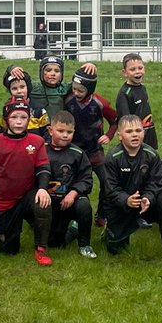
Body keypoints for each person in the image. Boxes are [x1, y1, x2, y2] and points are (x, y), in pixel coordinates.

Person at [0, 97, 53, 266]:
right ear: (6, 120)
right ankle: (12, 231)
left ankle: (41, 248)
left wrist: (42, 188)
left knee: (43, 203)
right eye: (14, 117)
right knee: (8, 250)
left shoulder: (37, 142)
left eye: (23, 117)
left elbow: (43, 168)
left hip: (29, 196)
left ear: (29, 120)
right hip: (5, 201)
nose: (19, 122)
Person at [102, 115, 162, 264]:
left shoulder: (151, 154)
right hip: (121, 205)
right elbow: (110, 188)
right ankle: (109, 231)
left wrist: (148, 197)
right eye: (129, 131)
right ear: (120, 136)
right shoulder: (112, 157)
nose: (135, 134)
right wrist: (126, 199)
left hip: (145, 203)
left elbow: (157, 182)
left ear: (144, 133)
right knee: (116, 250)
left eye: (138, 130)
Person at [64, 70, 117, 223]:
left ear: (91, 89)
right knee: (72, 183)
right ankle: (72, 216)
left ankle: (101, 214)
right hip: (74, 151)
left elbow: (115, 120)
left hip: (95, 151)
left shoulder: (101, 103)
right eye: (74, 88)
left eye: (81, 90)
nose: (76, 93)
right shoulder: (68, 101)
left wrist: (108, 135)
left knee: (107, 182)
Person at [45, 110, 96, 258]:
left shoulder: (78, 154)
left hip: (70, 200)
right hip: (49, 201)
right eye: (60, 131)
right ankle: (73, 229)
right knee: (55, 244)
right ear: (50, 130)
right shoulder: (41, 150)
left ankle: (85, 245)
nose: (65, 135)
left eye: (69, 132)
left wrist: (73, 193)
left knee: (84, 205)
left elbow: (87, 179)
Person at [7, 56, 97, 118]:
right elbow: (10, 83)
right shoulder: (33, 88)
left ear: (61, 74)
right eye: (48, 70)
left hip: (58, 128)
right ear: (42, 72)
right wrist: (11, 68)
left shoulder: (65, 88)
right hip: (37, 126)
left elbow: (82, 84)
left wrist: (90, 66)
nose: (52, 74)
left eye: (57, 71)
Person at [115, 53, 157, 149]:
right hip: (135, 137)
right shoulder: (124, 93)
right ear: (124, 72)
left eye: (140, 68)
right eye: (132, 69)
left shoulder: (143, 88)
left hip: (148, 132)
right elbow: (125, 120)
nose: (138, 72)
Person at [0, 68, 50, 136]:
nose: (19, 91)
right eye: (14, 88)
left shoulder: (39, 110)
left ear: (28, 87)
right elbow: (0, 136)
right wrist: (10, 69)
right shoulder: (7, 110)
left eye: (22, 87)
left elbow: (47, 136)